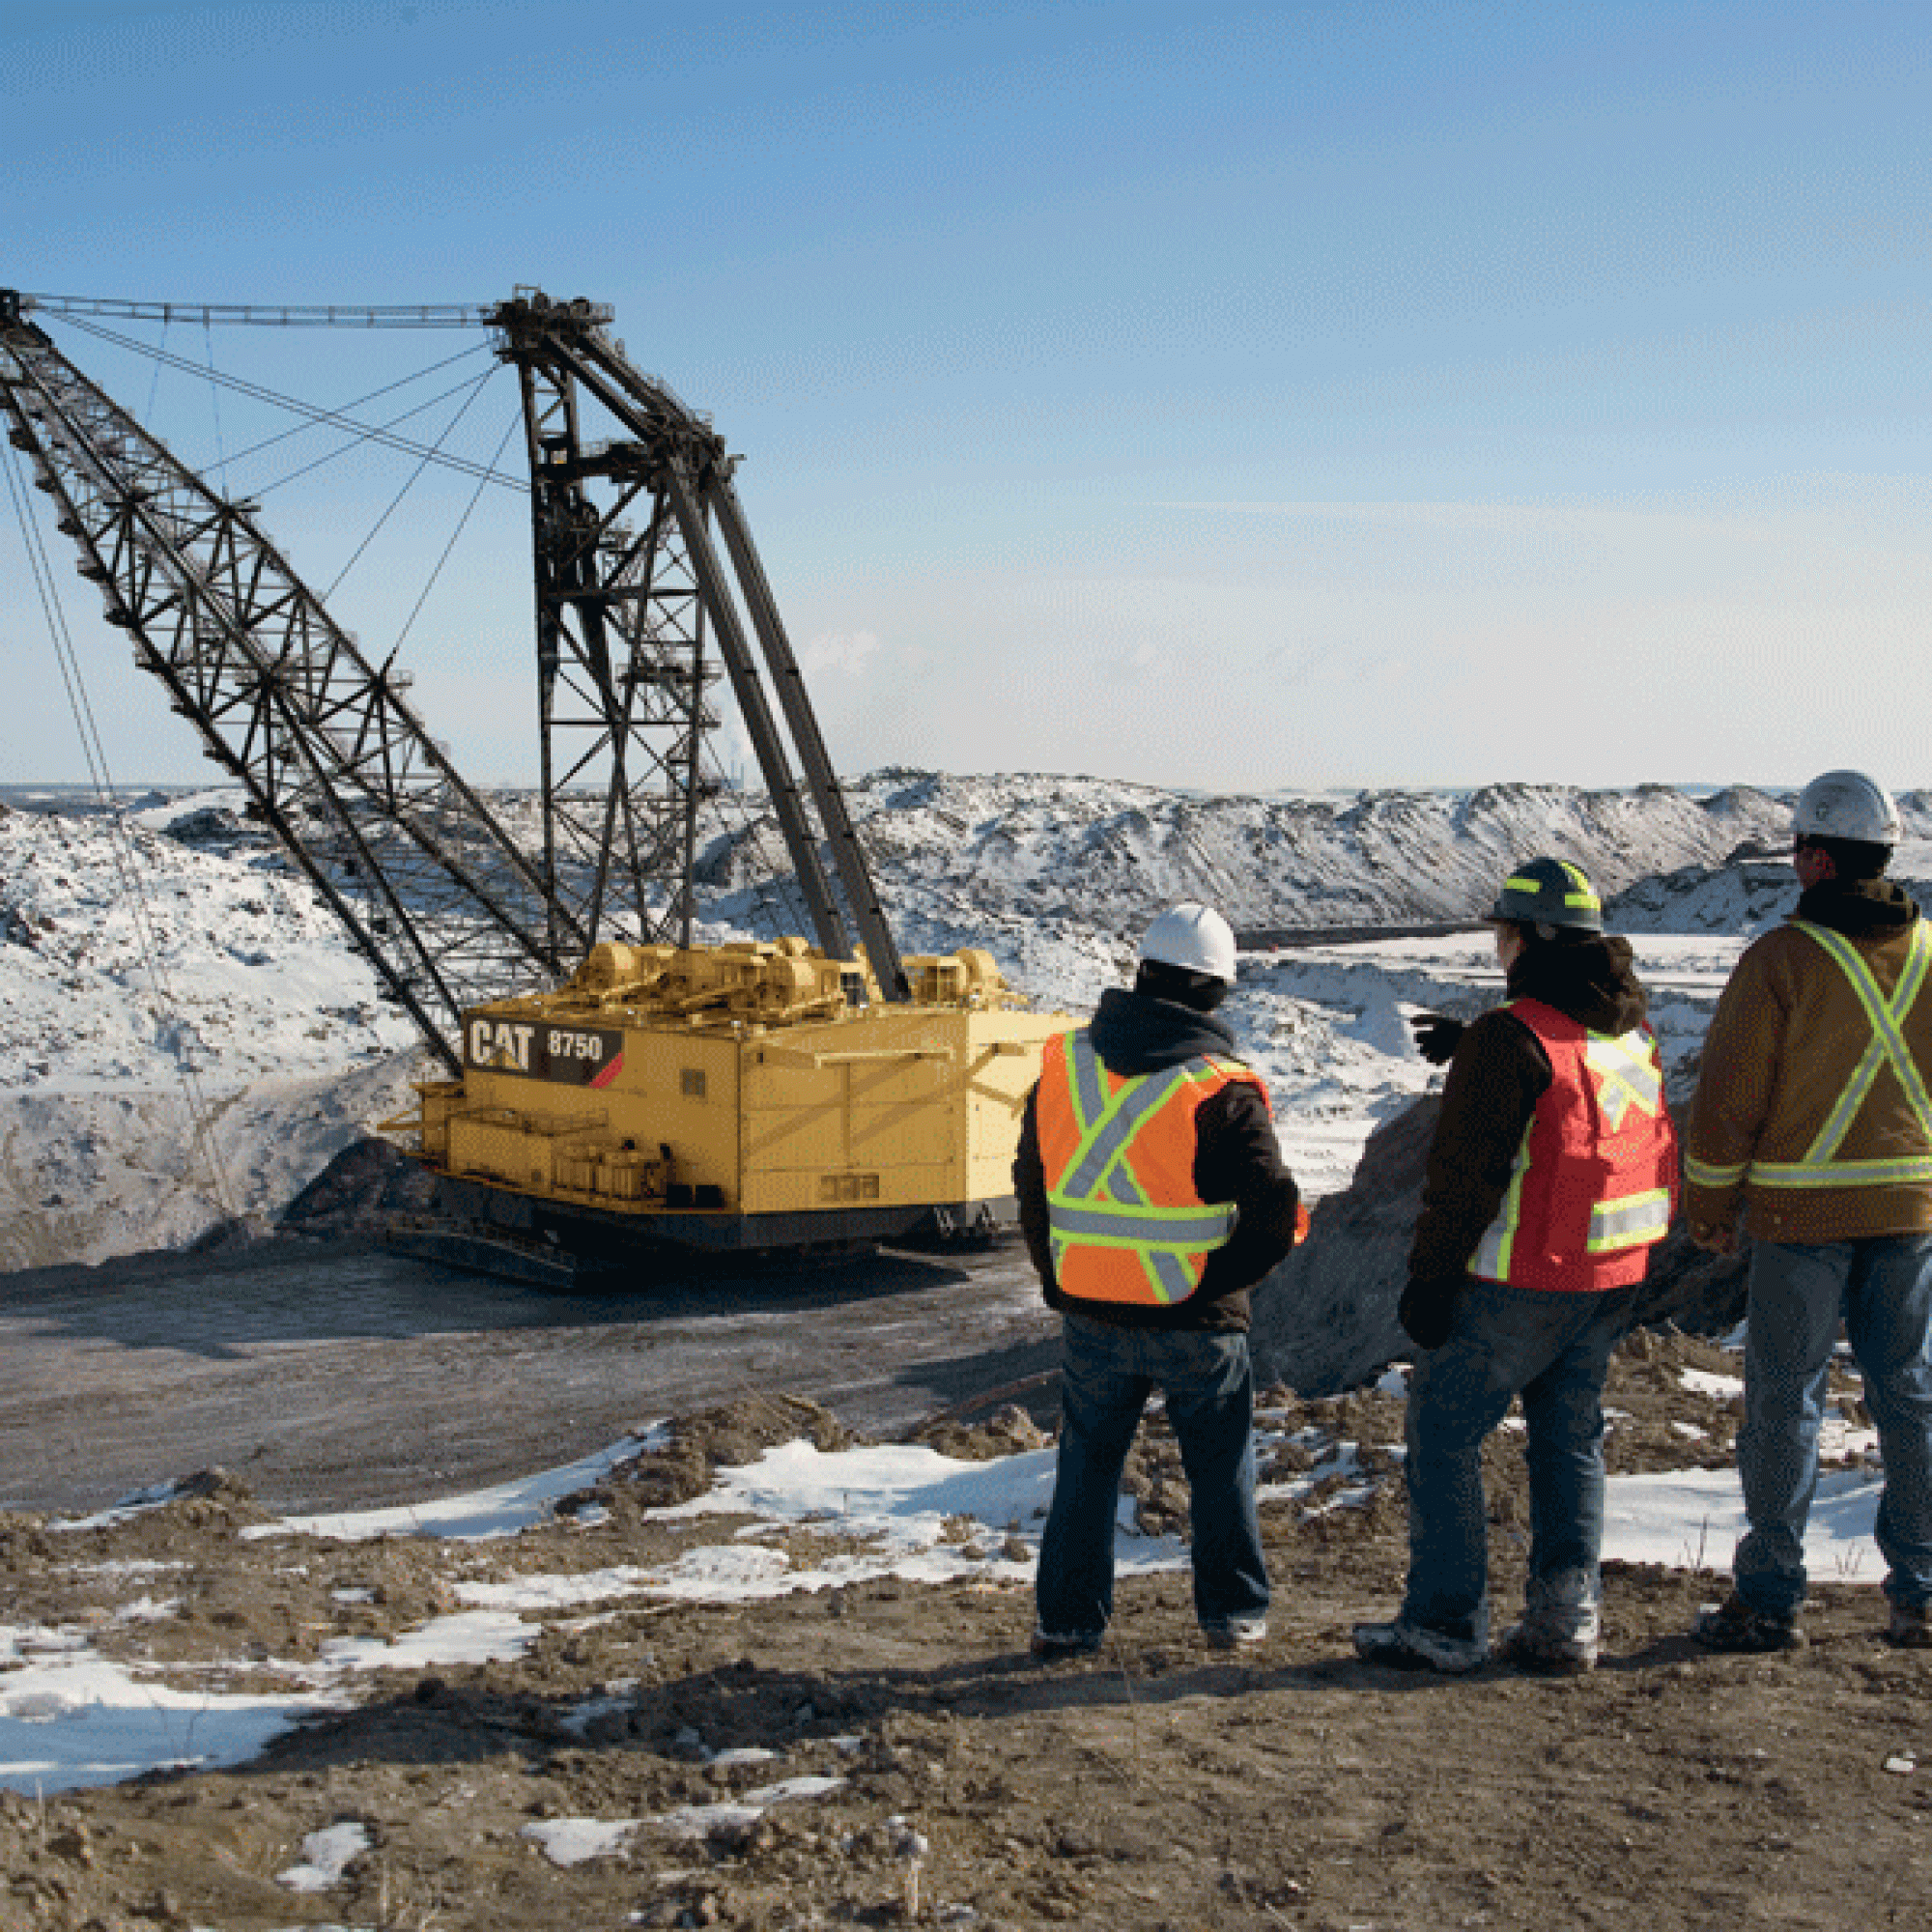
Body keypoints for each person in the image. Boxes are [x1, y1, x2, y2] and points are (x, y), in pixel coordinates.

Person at [1353, 857, 1677, 1674]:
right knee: (1569, 1441)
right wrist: (1477, 1047)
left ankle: (1445, 1622)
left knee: (1445, 1434)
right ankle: (1568, 1620)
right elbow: (1571, 1077)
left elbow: (1463, 1182)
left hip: (1516, 1282)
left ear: (1528, 937)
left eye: (1502, 932)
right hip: (1607, 1281)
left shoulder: (1512, 1041)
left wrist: (1429, 1283)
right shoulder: (1630, 1032)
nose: (1497, 946)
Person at [1014, 901, 1303, 1657]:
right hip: (1197, 1323)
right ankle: (1232, 1617)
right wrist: (1216, 1282)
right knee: (1218, 1471)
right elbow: (1276, 1212)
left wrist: (1057, 1277)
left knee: (1084, 1468)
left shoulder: (1061, 1066)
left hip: (1091, 1313)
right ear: (1218, 994)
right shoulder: (1223, 1088)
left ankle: (1067, 1623)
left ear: (1140, 974)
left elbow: (1032, 1181)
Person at [1685, 769, 1932, 1653]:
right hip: (1910, 1212)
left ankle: (1771, 1596)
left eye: (1797, 848)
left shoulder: (1782, 961)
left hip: (1801, 1221)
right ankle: (1922, 1589)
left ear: (1819, 858)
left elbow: (1727, 1102)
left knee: (1786, 1401)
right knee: (1908, 1393)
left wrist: (1709, 1206)